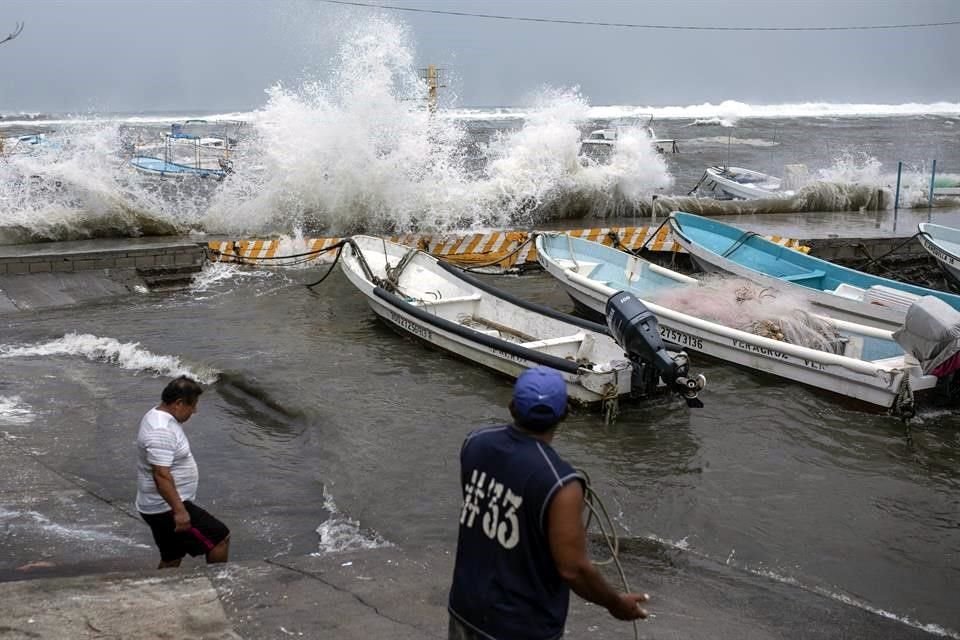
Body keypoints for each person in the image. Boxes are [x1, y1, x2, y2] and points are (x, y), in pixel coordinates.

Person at [448, 366, 649, 640]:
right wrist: (616, 603)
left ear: (511, 406)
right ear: (563, 414)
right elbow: (573, 568)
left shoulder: (474, 443)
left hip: (465, 609)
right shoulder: (561, 484)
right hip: (521, 627)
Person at [136, 375, 230, 569]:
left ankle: (162, 589)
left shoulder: (157, 415)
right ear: (178, 403)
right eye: (193, 405)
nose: (194, 411)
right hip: (165, 508)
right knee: (220, 538)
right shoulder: (161, 430)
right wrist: (180, 511)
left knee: (172, 556)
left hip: (156, 505)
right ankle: (220, 583)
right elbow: (161, 475)